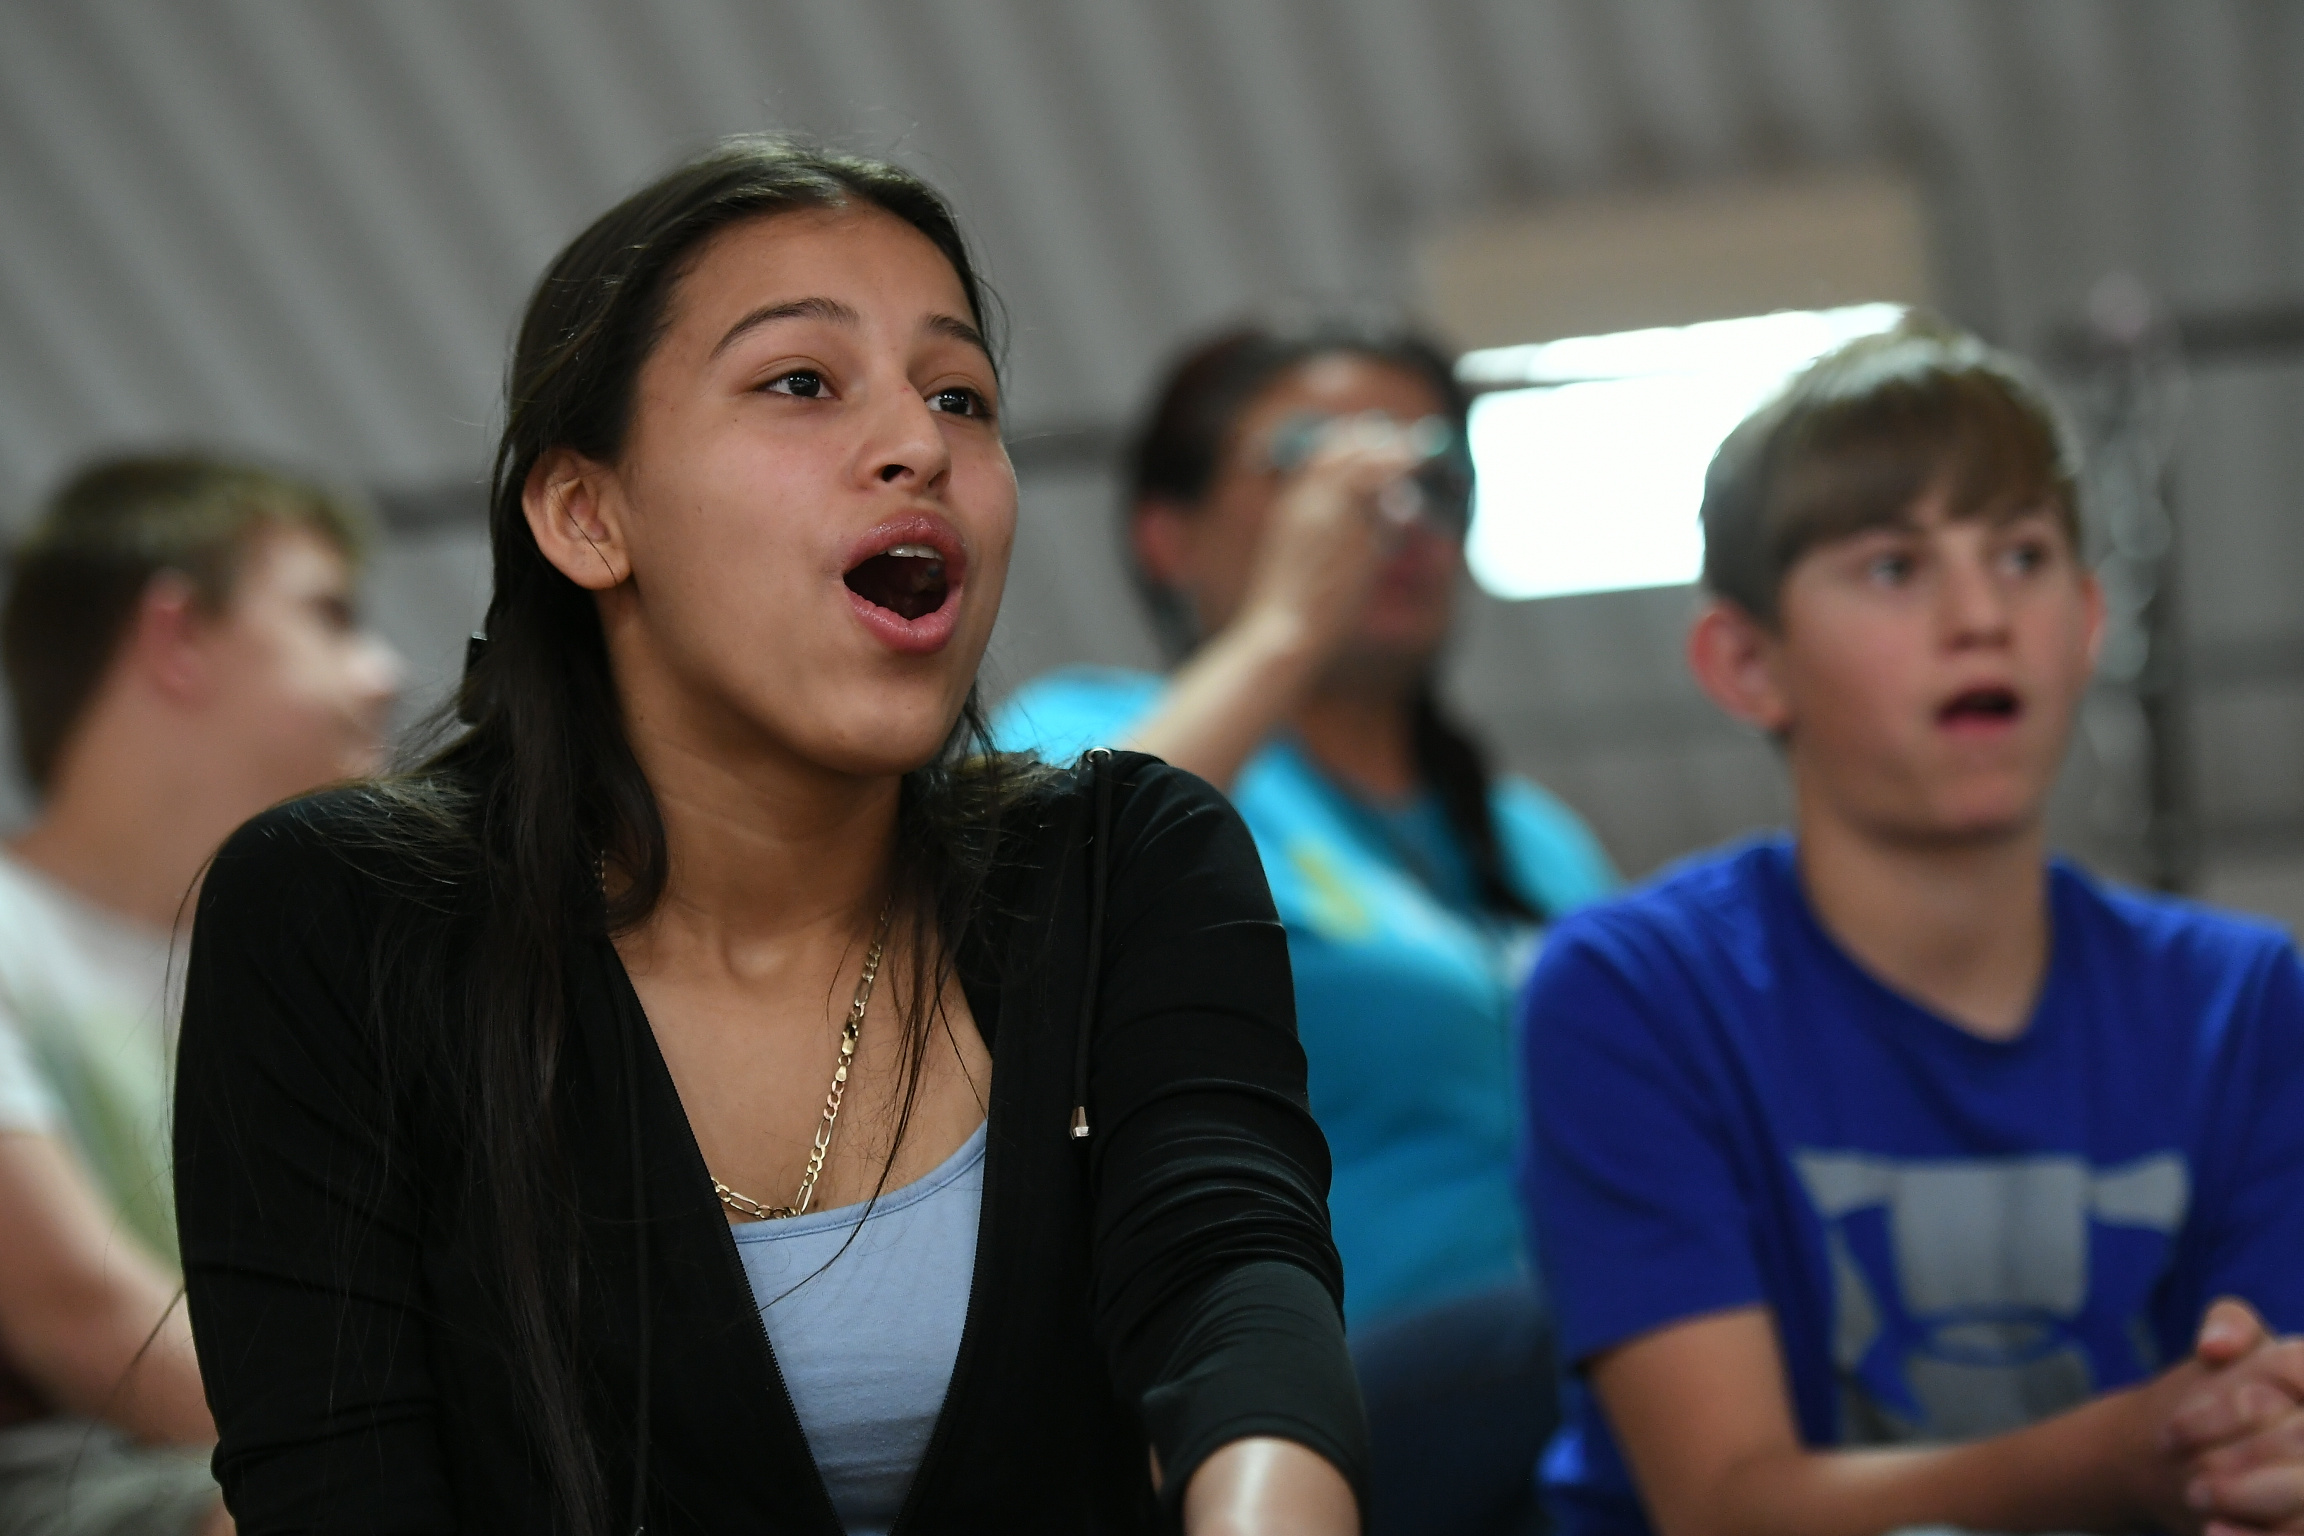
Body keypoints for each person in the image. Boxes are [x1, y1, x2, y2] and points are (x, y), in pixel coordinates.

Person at [173, 138, 1366, 1536]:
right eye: (802, 380)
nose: (920, 441)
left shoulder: (1120, 860)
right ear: (586, 512)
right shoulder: (341, 913)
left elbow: (1231, 1265)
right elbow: (336, 1481)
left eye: (961, 394)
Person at [1518, 316, 2304, 1536]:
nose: (1980, 614)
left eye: (2024, 556)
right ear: (1744, 663)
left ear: (2090, 622)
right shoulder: (1634, 991)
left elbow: (2261, 1427)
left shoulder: (2244, 998)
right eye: (1895, 566)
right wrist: (2121, 1454)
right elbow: (1722, 1504)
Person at [993, 320, 1614, 1535]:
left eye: (1430, 474)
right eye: (1315, 461)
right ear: (1167, 538)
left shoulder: (1537, 841)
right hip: (1300, 1410)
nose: (1394, 510)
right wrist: (1282, 629)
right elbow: (1018, 924)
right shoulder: (1099, 734)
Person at [0, 454, 401, 1536]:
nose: (385, 672)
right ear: (177, 637)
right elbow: (80, 1315)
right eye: (329, 616)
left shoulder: (343, 970)